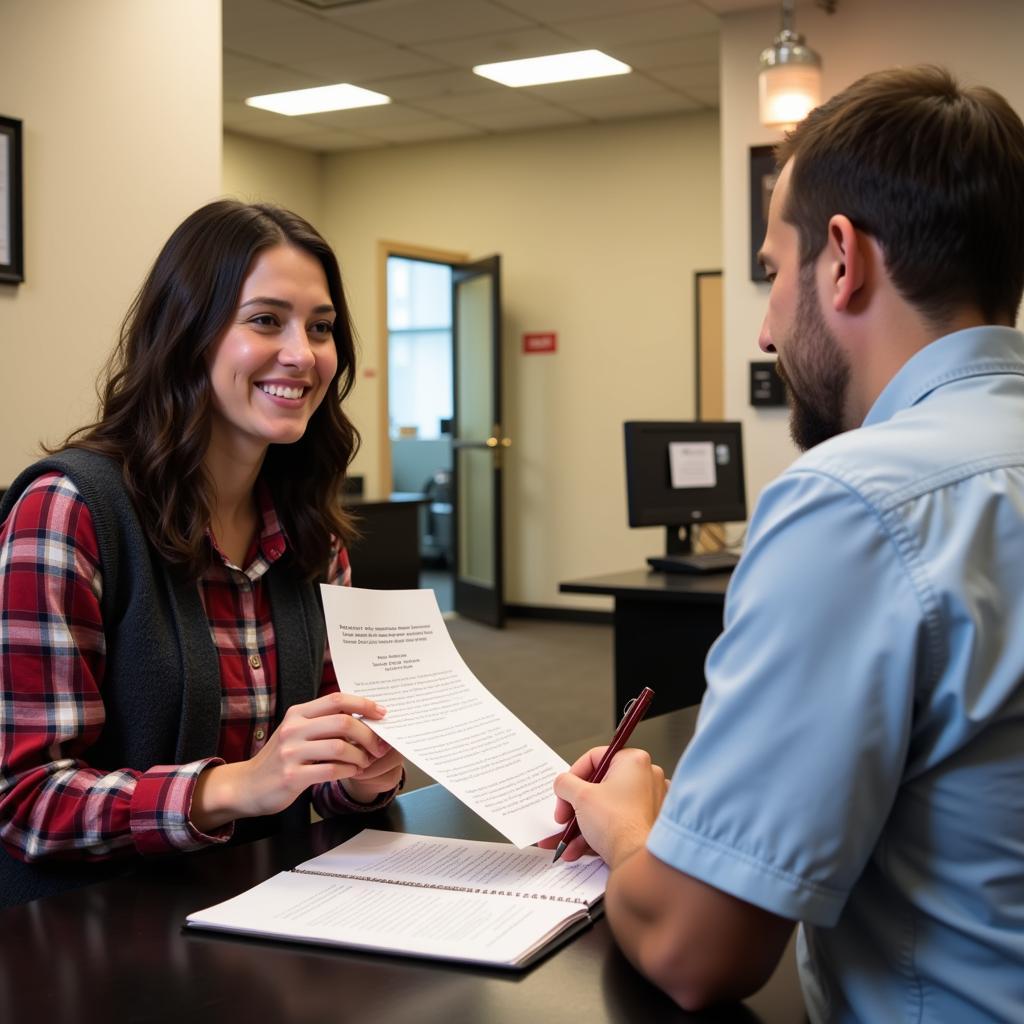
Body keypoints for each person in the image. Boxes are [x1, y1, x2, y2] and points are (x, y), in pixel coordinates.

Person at [543, 66, 1024, 1022]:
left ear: (842, 261)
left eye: (771, 271)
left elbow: (696, 948)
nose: (766, 329)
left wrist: (633, 829)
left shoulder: (855, 502)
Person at [0, 200, 404, 907]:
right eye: (265, 320)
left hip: (261, 913)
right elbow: (27, 801)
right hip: (86, 935)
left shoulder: (313, 533)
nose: (302, 355)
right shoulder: (68, 511)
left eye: (320, 327)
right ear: (188, 334)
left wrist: (359, 773)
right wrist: (235, 786)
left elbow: (315, 771)